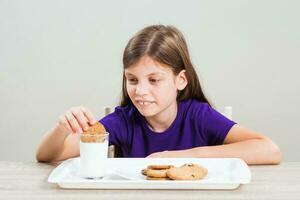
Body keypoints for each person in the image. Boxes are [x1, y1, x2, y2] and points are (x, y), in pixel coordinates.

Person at [36, 25, 281, 165]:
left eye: (154, 80)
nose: (140, 91)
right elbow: (48, 155)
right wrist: (61, 128)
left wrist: (186, 156)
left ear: (180, 80)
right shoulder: (123, 122)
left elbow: (270, 150)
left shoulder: (198, 116)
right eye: (132, 80)